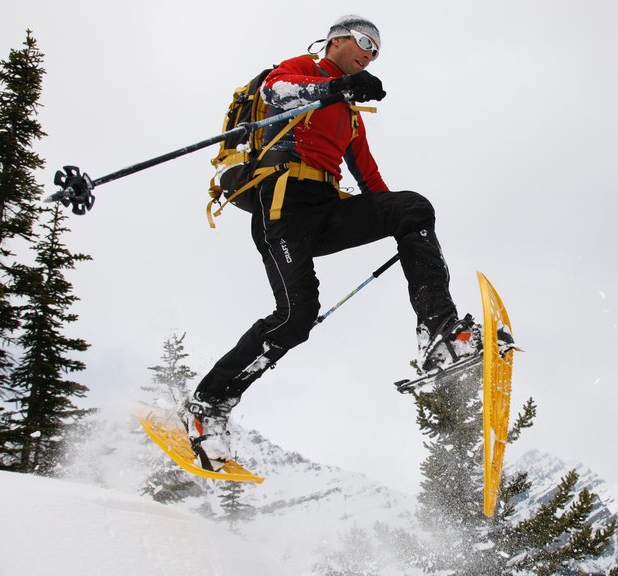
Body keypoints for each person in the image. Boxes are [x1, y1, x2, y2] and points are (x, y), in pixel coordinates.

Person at [185, 15, 481, 471]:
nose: (370, 53)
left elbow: (373, 184)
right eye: (364, 42)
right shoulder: (304, 69)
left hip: (324, 206)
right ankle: (208, 404)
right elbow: (275, 93)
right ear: (337, 40)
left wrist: (405, 228)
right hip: (281, 206)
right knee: (296, 316)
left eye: (376, 50)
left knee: (412, 207)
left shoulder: (350, 116)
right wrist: (334, 90)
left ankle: (439, 331)